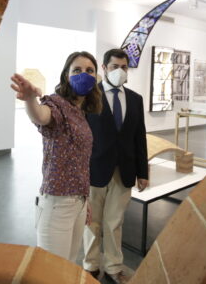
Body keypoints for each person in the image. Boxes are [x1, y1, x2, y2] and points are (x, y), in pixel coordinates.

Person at [10, 51, 103, 262]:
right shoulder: (57, 104)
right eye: (77, 70)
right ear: (66, 76)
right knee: (51, 271)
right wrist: (30, 100)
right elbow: (42, 116)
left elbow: (81, 162)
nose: (84, 74)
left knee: (68, 267)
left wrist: (85, 200)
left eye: (90, 70)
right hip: (57, 205)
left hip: (79, 202)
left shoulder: (81, 111)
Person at [83, 48, 149, 283]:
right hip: (94, 169)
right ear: (104, 68)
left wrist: (143, 172)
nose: (119, 71)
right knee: (92, 222)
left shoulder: (135, 99)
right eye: (114, 67)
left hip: (125, 170)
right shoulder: (89, 96)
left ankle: (113, 267)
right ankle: (90, 265)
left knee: (115, 222)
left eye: (123, 67)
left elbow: (139, 137)